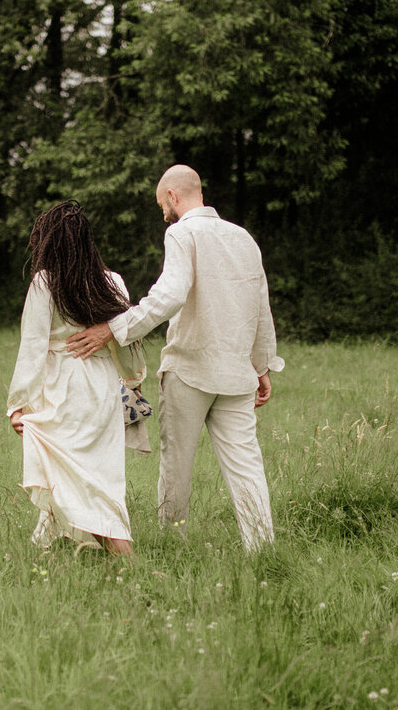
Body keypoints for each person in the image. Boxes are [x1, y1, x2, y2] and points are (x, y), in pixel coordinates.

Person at [67, 165, 284, 551]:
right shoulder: (244, 238)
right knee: (246, 465)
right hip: (237, 372)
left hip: (189, 370)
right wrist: (262, 364)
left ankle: (172, 545)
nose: (162, 213)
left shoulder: (182, 232)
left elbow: (169, 296)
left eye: (160, 204)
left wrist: (112, 330)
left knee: (177, 466)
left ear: (172, 196)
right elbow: (259, 304)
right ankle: (262, 551)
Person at [6, 200, 138, 556]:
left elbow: (32, 349)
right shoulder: (113, 282)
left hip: (61, 386)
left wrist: (18, 404)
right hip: (103, 387)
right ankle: (55, 547)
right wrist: (132, 383)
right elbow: (125, 343)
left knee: (69, 475)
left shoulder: (45, 282)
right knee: (99, 476)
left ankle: (124, 556)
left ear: (49, 241)